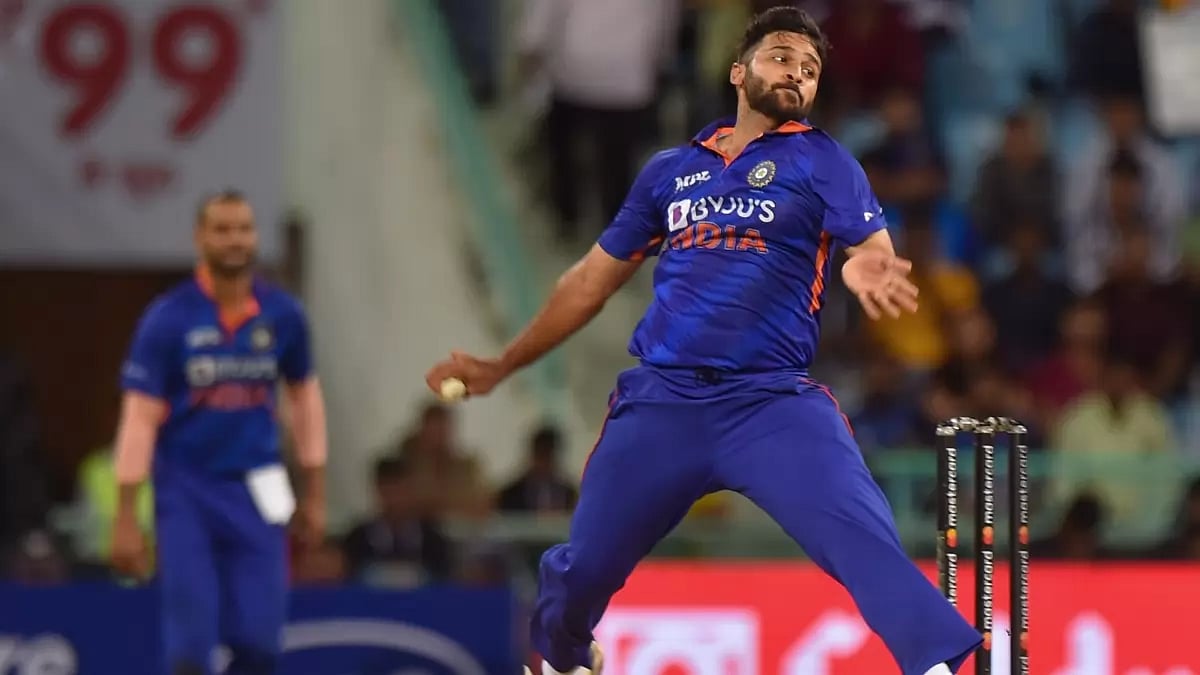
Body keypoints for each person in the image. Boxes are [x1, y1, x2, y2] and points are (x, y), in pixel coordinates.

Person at [425, 8, 980, 675]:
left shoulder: (823, 160)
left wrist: (863, 264)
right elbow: (589, 282)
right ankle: (567, 649)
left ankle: (939, 664)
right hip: (665, 401)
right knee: (585, 569)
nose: (797, 75)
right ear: (738, 71)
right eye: (782, 57)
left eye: (809, 70)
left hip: (771, 406)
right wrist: (503, 362)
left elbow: (868, 246)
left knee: (863, 539)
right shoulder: (670, 171)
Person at [111, 190, 328, 675]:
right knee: (190, 647)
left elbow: (306, 402)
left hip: (259, 488)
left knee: (260, 645)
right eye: (222, 229)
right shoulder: (168, 318)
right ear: (199, 237)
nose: (235, 240)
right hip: (185, 488)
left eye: (244, 229)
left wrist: (314, 492)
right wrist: (126, 514)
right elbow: (139, 418)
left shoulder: (284, 316)